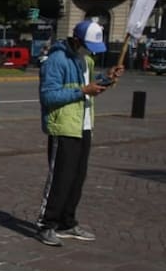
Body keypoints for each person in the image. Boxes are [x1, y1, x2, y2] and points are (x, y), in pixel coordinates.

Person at [34, 20, 123, 247]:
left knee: (76, 178)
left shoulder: (86, 59)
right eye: (88, 46)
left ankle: (67, 221)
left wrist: (107, 78)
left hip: (83, 125)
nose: (91, 51)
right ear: (76, 40)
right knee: (60, 178)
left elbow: (92, 86)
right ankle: (46, 224)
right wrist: (83, 91)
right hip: (63, 126)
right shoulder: (57, 60)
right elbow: (48, 96)